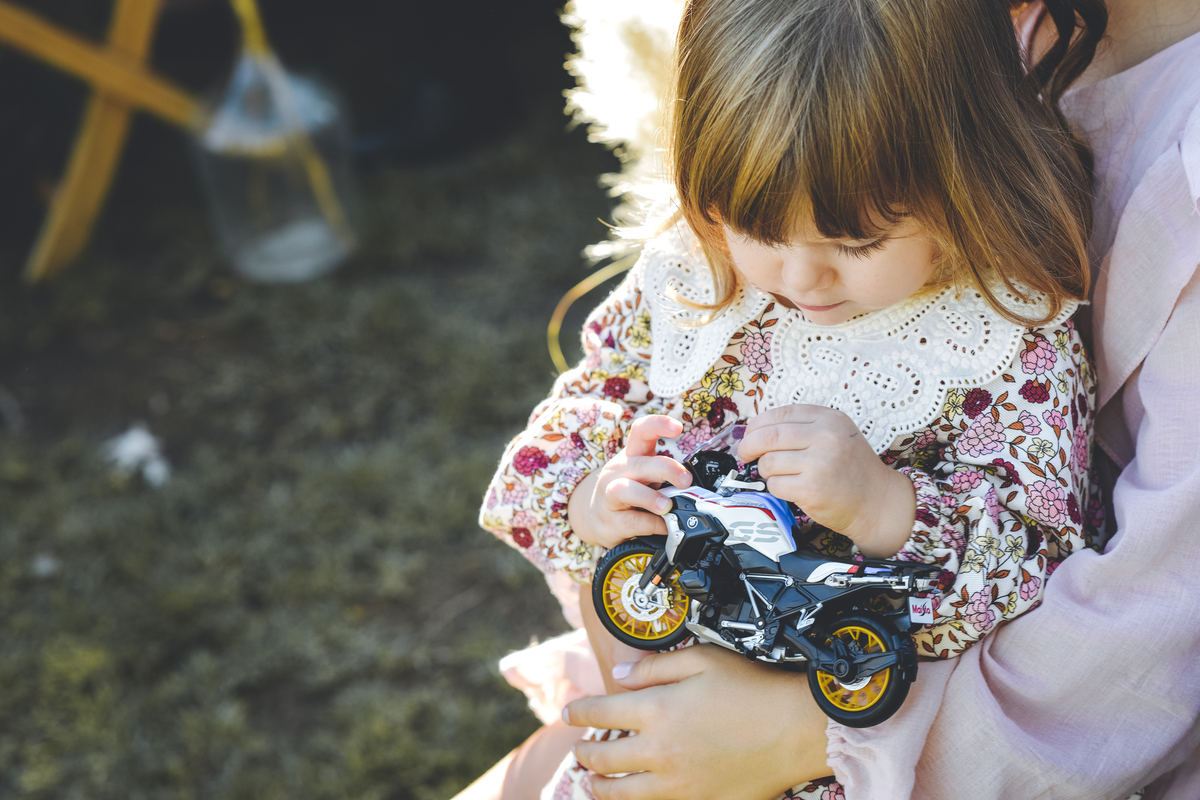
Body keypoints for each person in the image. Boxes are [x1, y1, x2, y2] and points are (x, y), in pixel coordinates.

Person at [552, 1, 1200, 799]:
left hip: (859, 751)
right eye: (753, 227)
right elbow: (587, 408)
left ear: (972, 184)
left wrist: (892, 508)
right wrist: (598, 493)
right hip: (666, 706)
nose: (799, 277)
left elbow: (1040, 553)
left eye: (856, 244)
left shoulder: (999, 336)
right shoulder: (707, 270)